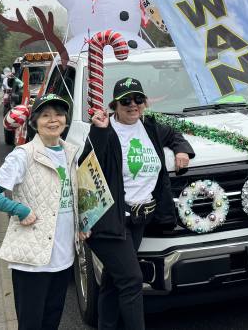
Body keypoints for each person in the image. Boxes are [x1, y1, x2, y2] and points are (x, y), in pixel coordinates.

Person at [81, 77, 194, 330]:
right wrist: (97, 131)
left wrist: (181, 150)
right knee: (132, 280)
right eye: (126, 101)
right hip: (111, 220)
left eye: (138, 99)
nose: (133, 105)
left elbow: (174, 133)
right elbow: (87, 165)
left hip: (140, 220)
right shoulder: (105, 129)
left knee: (113, 279)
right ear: (115, 104)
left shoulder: (150, 126)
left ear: (145, 102)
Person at [0, 94, 84, 330]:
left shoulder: (70, 153)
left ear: (66, 120)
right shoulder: (23, 155)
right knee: (31, 324)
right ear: (34, 122)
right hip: (32, 260)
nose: (53, 120)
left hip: (63, 256)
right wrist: (19, 209)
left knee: (51, 321)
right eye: (45, 115)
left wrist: (81, 226)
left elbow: (70, 198)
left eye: (58, 114)